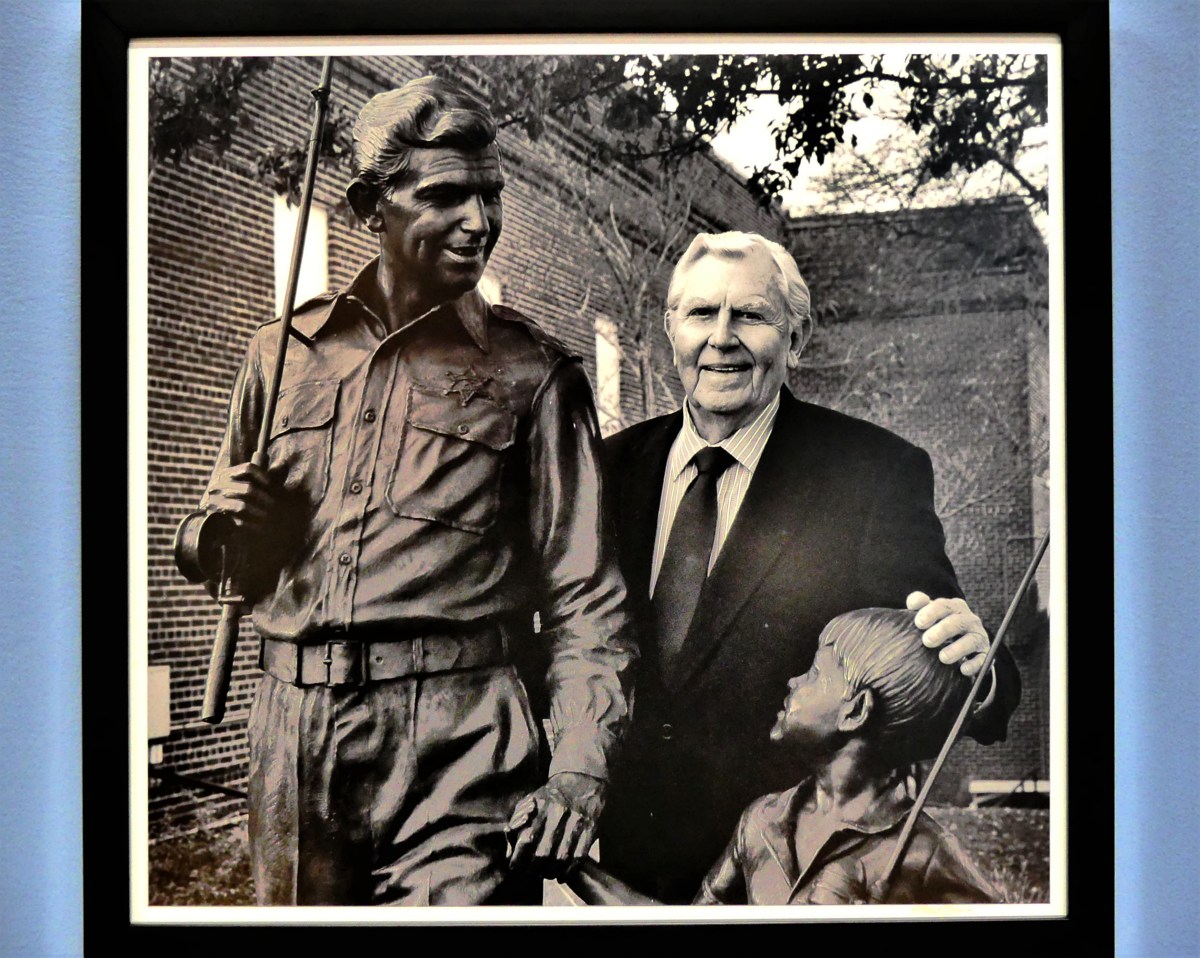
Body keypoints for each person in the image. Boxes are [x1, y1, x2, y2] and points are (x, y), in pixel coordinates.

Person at [177, 76, 636, 906]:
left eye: (491, 195)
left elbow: (587, 602)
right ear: (368, 204)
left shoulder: (536, 374)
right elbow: (219, 549)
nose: (480, 222)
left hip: (460, 745)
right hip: (293, 737)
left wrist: (576, 769)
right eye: (446, 195)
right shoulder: (279, 355)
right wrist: (224, 532)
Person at [597, 231, 1020, 903]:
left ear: (795, 337)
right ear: (670, 328)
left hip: (787, 879)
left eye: (752, 315)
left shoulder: (873, 475)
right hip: (615, 866)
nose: (722, 337)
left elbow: (935, 663)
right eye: (702, 313)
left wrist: (982, 671)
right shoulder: (603, 470)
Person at [567, 607, 999, 906]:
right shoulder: (763, 821)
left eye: (814, 672)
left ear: (856, 710)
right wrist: (570, 864)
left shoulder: (925, 852)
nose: (793, 681)